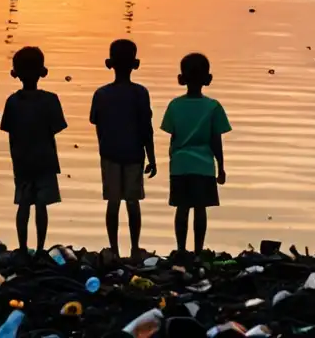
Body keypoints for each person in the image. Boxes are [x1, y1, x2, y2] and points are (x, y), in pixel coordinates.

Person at [89, 39, 157, 259]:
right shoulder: (140, 93)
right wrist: (152, 157)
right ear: (135, 64)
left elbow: (95, 122)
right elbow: (147, 128)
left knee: (113, 202)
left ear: (109, 63)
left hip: (109, 154)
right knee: (133, 201)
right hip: (134, 154)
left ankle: (114, 249)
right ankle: (135, 247)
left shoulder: (101, 94)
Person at [161, 52, 232, 256]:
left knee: (182, 209)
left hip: (180, 165)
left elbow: (172, 138)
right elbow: (216, 141)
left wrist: (172, 162)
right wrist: (221, 167)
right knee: (200, 209)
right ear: (208, 79)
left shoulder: (175, 105)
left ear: (181, 78)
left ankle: (181, 249)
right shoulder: (213, 107)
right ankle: (198, 251)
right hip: (204, 166)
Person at [0, 46, 67, 252]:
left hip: (22, 162)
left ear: (15, 73)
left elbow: (8, 130)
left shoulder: (12, 102)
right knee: (41, 206)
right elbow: (56, 127)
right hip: (45, 161)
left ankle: (22, 247)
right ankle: (39, 248)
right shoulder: (50, 100)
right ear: (43, 72)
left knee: (23, 205)